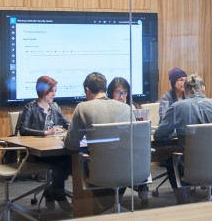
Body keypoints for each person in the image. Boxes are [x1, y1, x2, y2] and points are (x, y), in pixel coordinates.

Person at [61, 71, 135, 210]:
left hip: (99, 172)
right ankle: (111, 206)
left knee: (80, 162)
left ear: (87, 90)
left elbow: (71, 144)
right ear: (105, 89)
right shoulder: (126, 108)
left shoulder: (83, 107)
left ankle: (104, 207)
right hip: (128, 169)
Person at [154, 73, 212, 203]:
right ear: (204, 88)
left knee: (170, 160)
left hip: (190, 166)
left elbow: (159, 134)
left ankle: (183, 202)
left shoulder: (178, 107)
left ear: (185, 90)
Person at [16, 75, 71, 206]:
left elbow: (67, 124)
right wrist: (46, 132)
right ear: (43, 91)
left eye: (55, 91)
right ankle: (58, 193)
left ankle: (52, 190)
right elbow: (23, 130)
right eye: (52, 91)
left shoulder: (55, 107)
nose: (54, 94)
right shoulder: (30, 107)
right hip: (37, 153)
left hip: (55, 148)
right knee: (63, 161)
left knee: (71, 157)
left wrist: (73, 130)